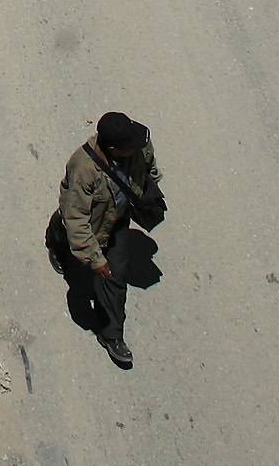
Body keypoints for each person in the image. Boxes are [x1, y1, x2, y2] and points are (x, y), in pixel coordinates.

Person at [48, 112, 163, 370]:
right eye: (129, 148)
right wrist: (95, 259)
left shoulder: (138, 140)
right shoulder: (83, 168)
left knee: (114, 277)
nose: (137, 147)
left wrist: (150, 187)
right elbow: (77, 219)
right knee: (68, 228)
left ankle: (111, 335)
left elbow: (148, 162)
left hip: (117, 220)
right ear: (112, 149)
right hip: (91, 220)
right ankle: (56, 240)